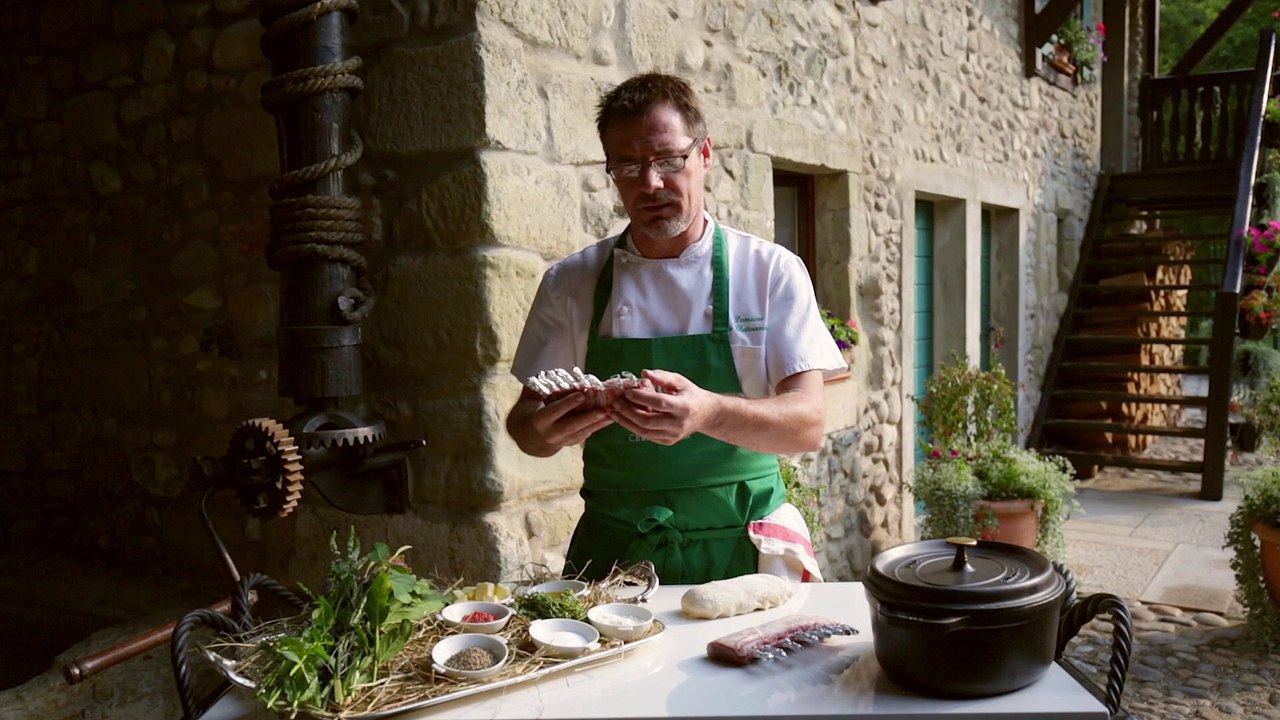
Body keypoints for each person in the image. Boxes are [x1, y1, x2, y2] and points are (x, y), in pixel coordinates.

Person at [506, 73, 846, 585]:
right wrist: (542, 430)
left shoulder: (770, 271)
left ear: (704, 153)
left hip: (742, 546)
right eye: (628, 167)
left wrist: (707, 411)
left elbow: (807, 424)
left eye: (669, 160)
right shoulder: (571, 283)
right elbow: (524, 427)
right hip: (615, 551)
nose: (651, 184)